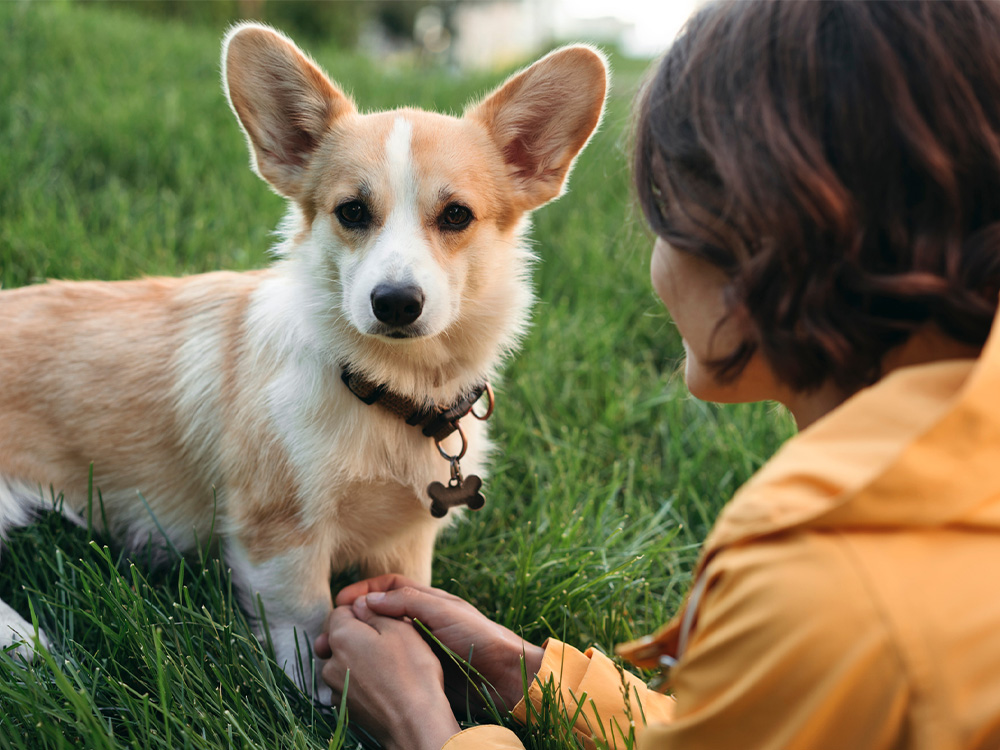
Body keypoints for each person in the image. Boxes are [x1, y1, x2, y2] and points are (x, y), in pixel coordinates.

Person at [313, 1, 1000, 747]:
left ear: (765, 242)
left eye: (665, 216)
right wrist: (525, 669)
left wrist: (427, 725)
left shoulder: (827, 571)